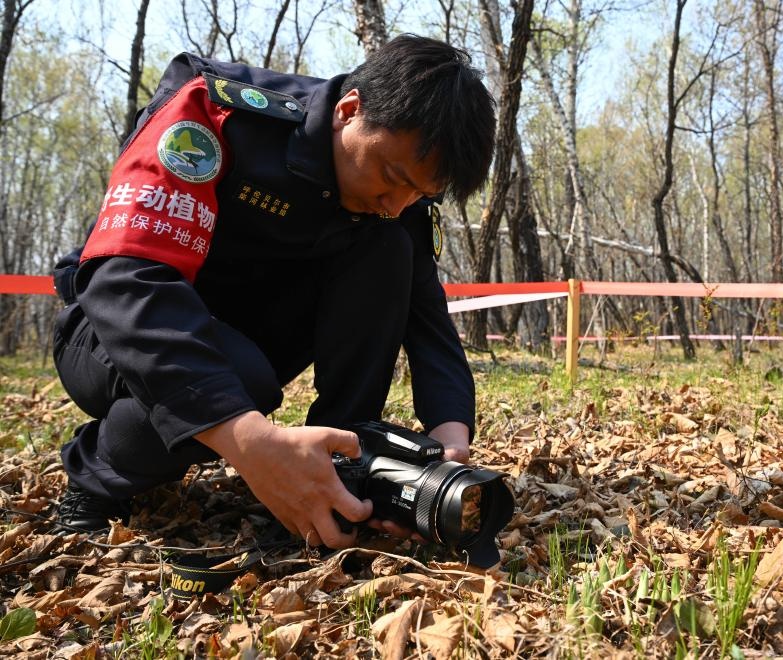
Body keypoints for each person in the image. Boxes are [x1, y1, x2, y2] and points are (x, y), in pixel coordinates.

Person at [50, 34, 496, 550]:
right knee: (238, 378)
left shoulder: (395, 202)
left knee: (389, 247)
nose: (397, 203)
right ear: (350, 110)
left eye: (420, 193)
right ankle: (95, 477)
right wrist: (249, 440)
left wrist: (450, 437)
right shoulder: (217, 113)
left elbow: (427, 322)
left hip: (247, 340)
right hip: (107, 330)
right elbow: (127, 278)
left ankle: (341, 462)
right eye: (392, 177)